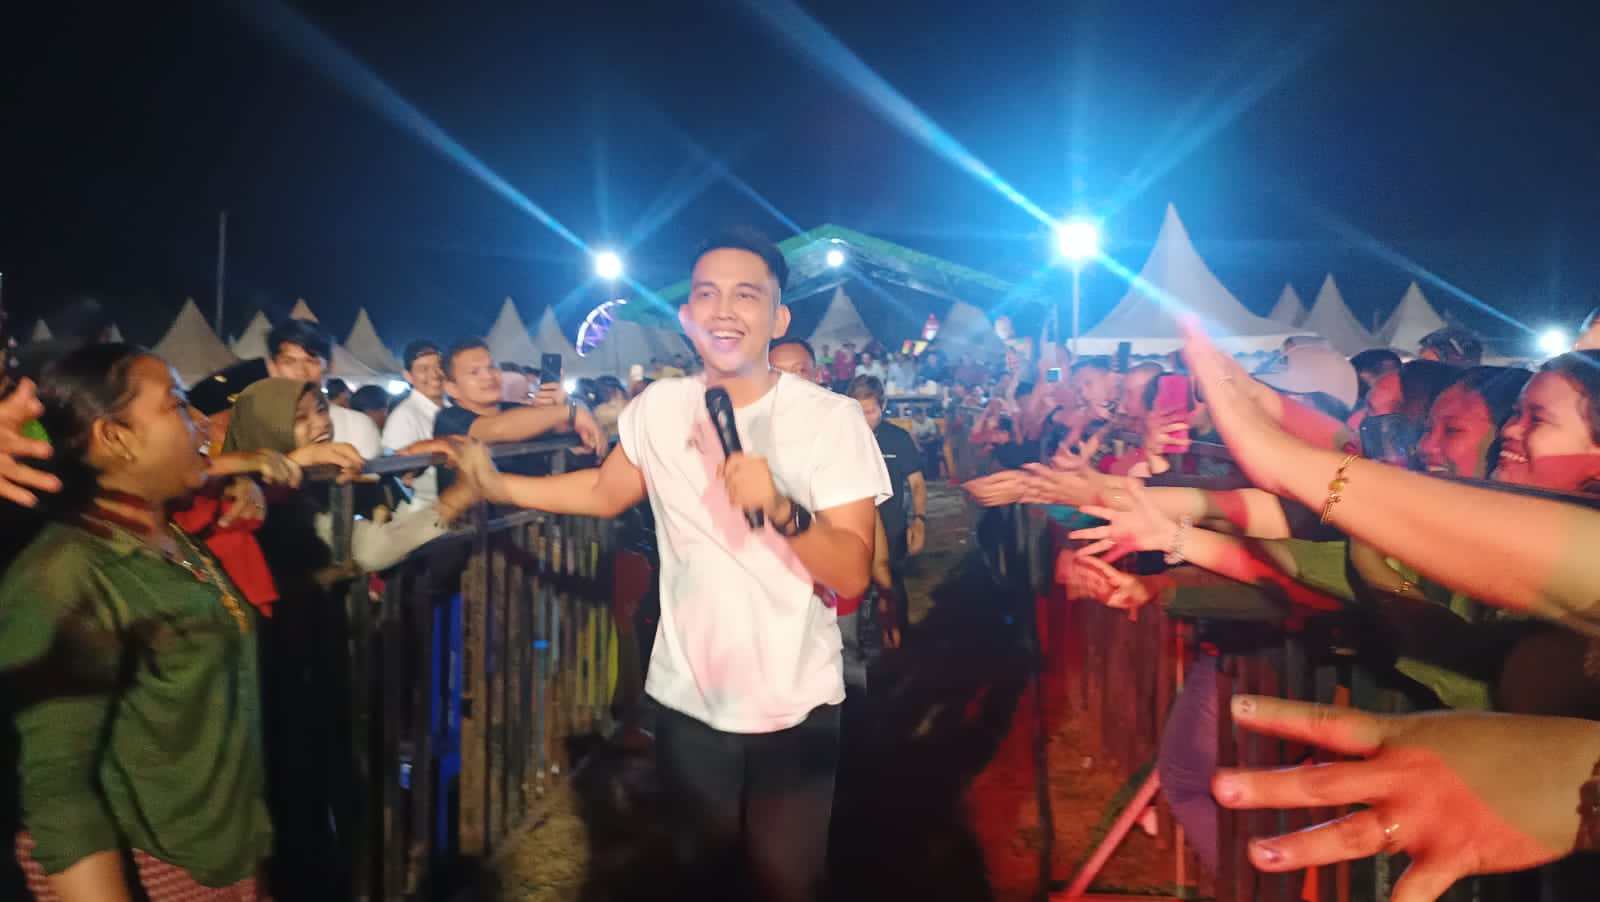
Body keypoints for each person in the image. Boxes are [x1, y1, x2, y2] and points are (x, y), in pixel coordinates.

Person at [457, 226, 888, 901]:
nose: (724, 310)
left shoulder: (830, 419)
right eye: (707, 294)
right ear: (687, 316)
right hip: (689, 698)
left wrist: (782, 508)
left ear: (779, 318)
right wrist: (499, 486)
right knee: (696, 879)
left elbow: (852, 571)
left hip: (795, 700)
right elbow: (604, 491)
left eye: (746, 295)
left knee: (788, 882)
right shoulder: (657, 407)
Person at [0, 344, 273, 899]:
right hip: (156, 873)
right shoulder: (67, 574)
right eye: (176, 405)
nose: (201, 422)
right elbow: (58, 791)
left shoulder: (167, 538)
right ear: (115, 437)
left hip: (226, 856)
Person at [263, 319, 383, 459]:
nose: (301, 372)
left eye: (311, 361)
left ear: (329, 367)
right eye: (288, 362)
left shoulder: (357, 426)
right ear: (272, 368)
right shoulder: (254, 427)